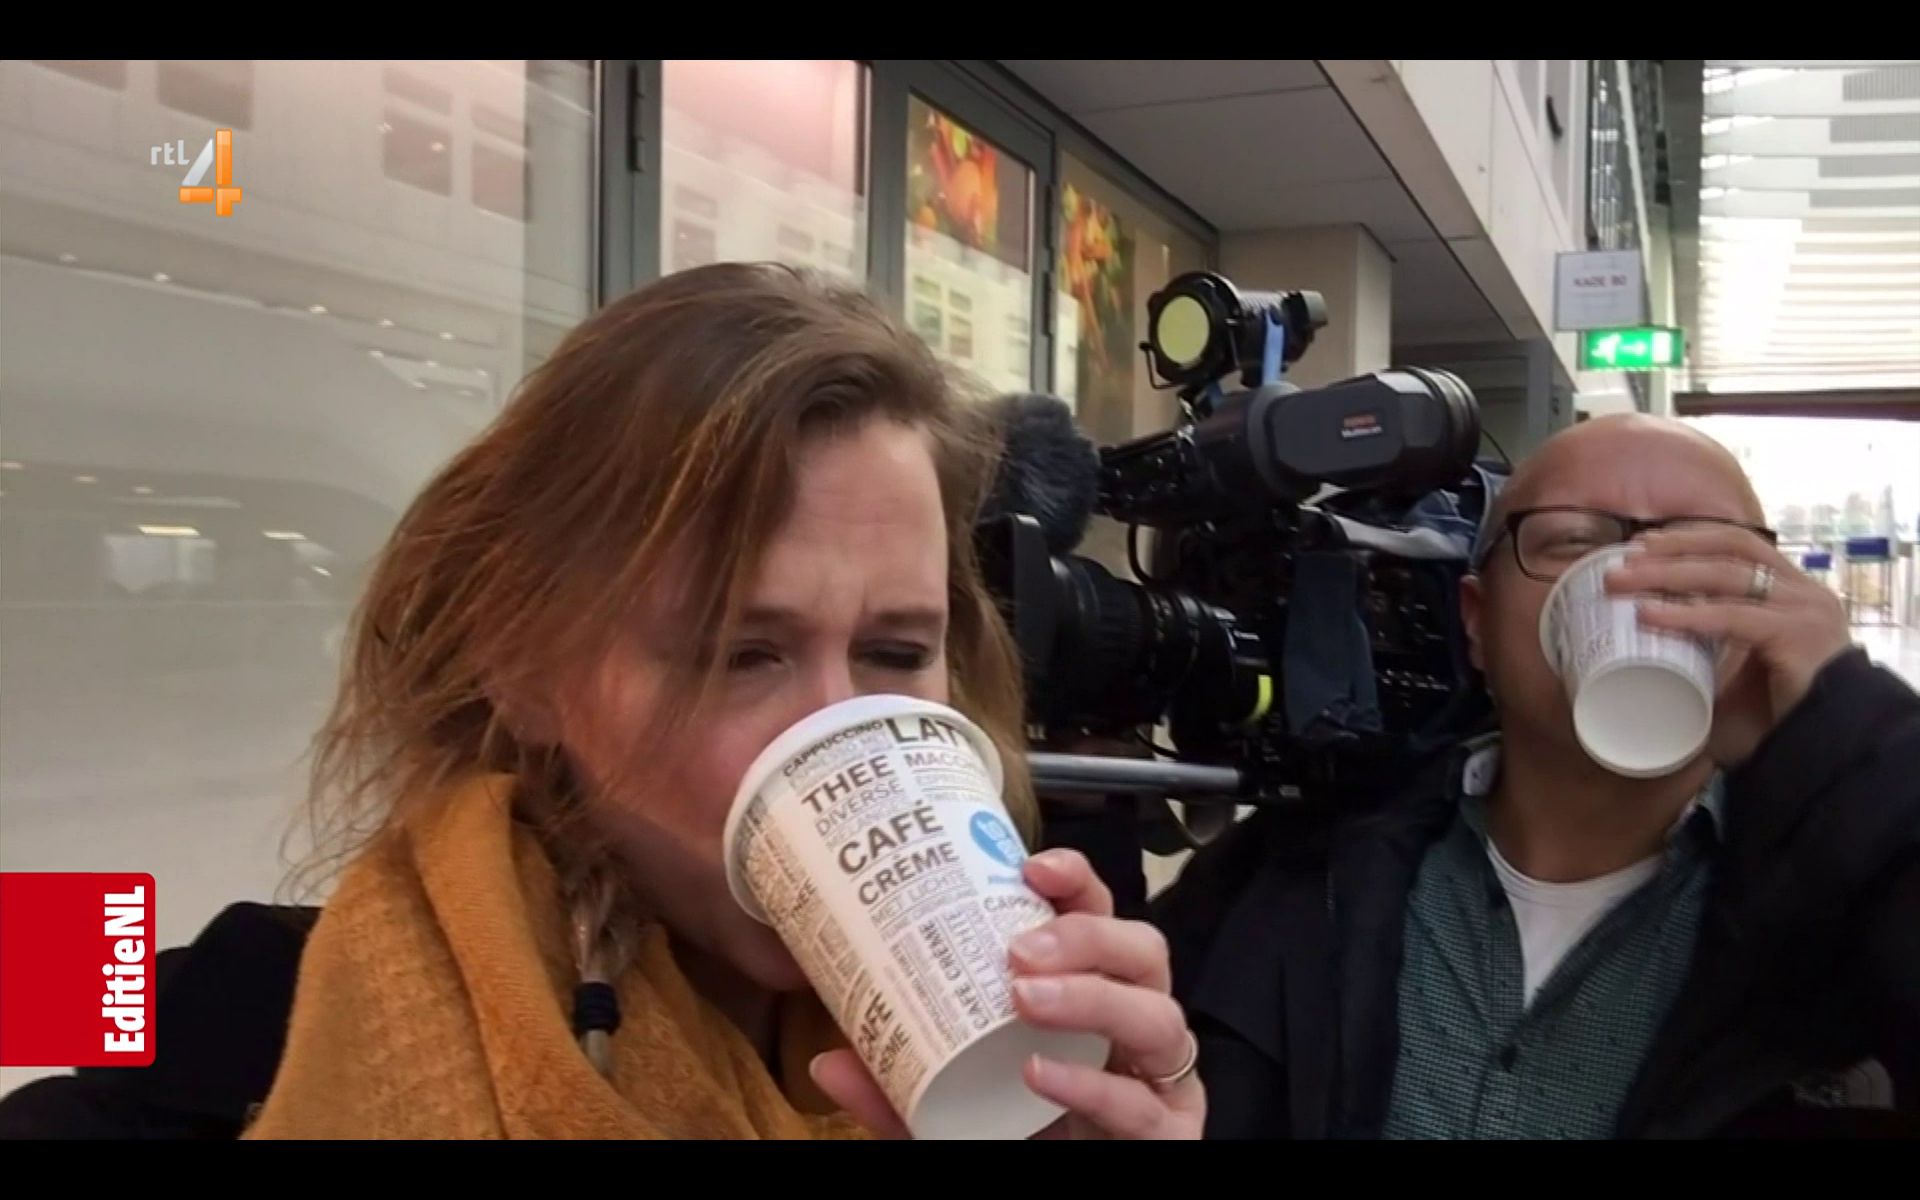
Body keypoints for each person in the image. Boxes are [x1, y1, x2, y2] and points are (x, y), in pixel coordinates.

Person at [0, 264, 1203, 1140]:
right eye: (741, 654)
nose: (832, 730)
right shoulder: (248, 1005)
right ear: (527, 671)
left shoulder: (1033, 1045)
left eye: (896, 651)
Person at [1157, 412, 1920, 1139]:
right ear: (1477, 621)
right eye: (1572, 540)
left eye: (1706, 551)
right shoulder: (1295, 870)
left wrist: (1851, 732)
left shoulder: (1844, 896)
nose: (1636, 580)